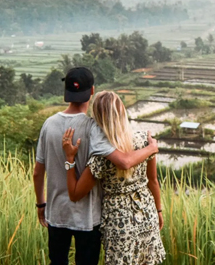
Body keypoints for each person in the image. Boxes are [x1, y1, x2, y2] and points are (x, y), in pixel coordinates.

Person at [32, 67, 159, 265]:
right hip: (88, 217)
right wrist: (151, 148)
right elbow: (123, 160)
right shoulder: (94, 128)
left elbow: (37, 173)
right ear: (91, 91)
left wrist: (41, 204)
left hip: (56, 212)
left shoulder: (48, 124)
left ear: (65, 92)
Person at [62, 90, 166, 265]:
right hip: (147, 212)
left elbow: (75, 193)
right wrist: (159, 210)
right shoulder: (145, 141)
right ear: (122, 111)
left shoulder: (101, 157)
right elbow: (153, 181)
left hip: (119, 220)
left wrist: (70, 160)